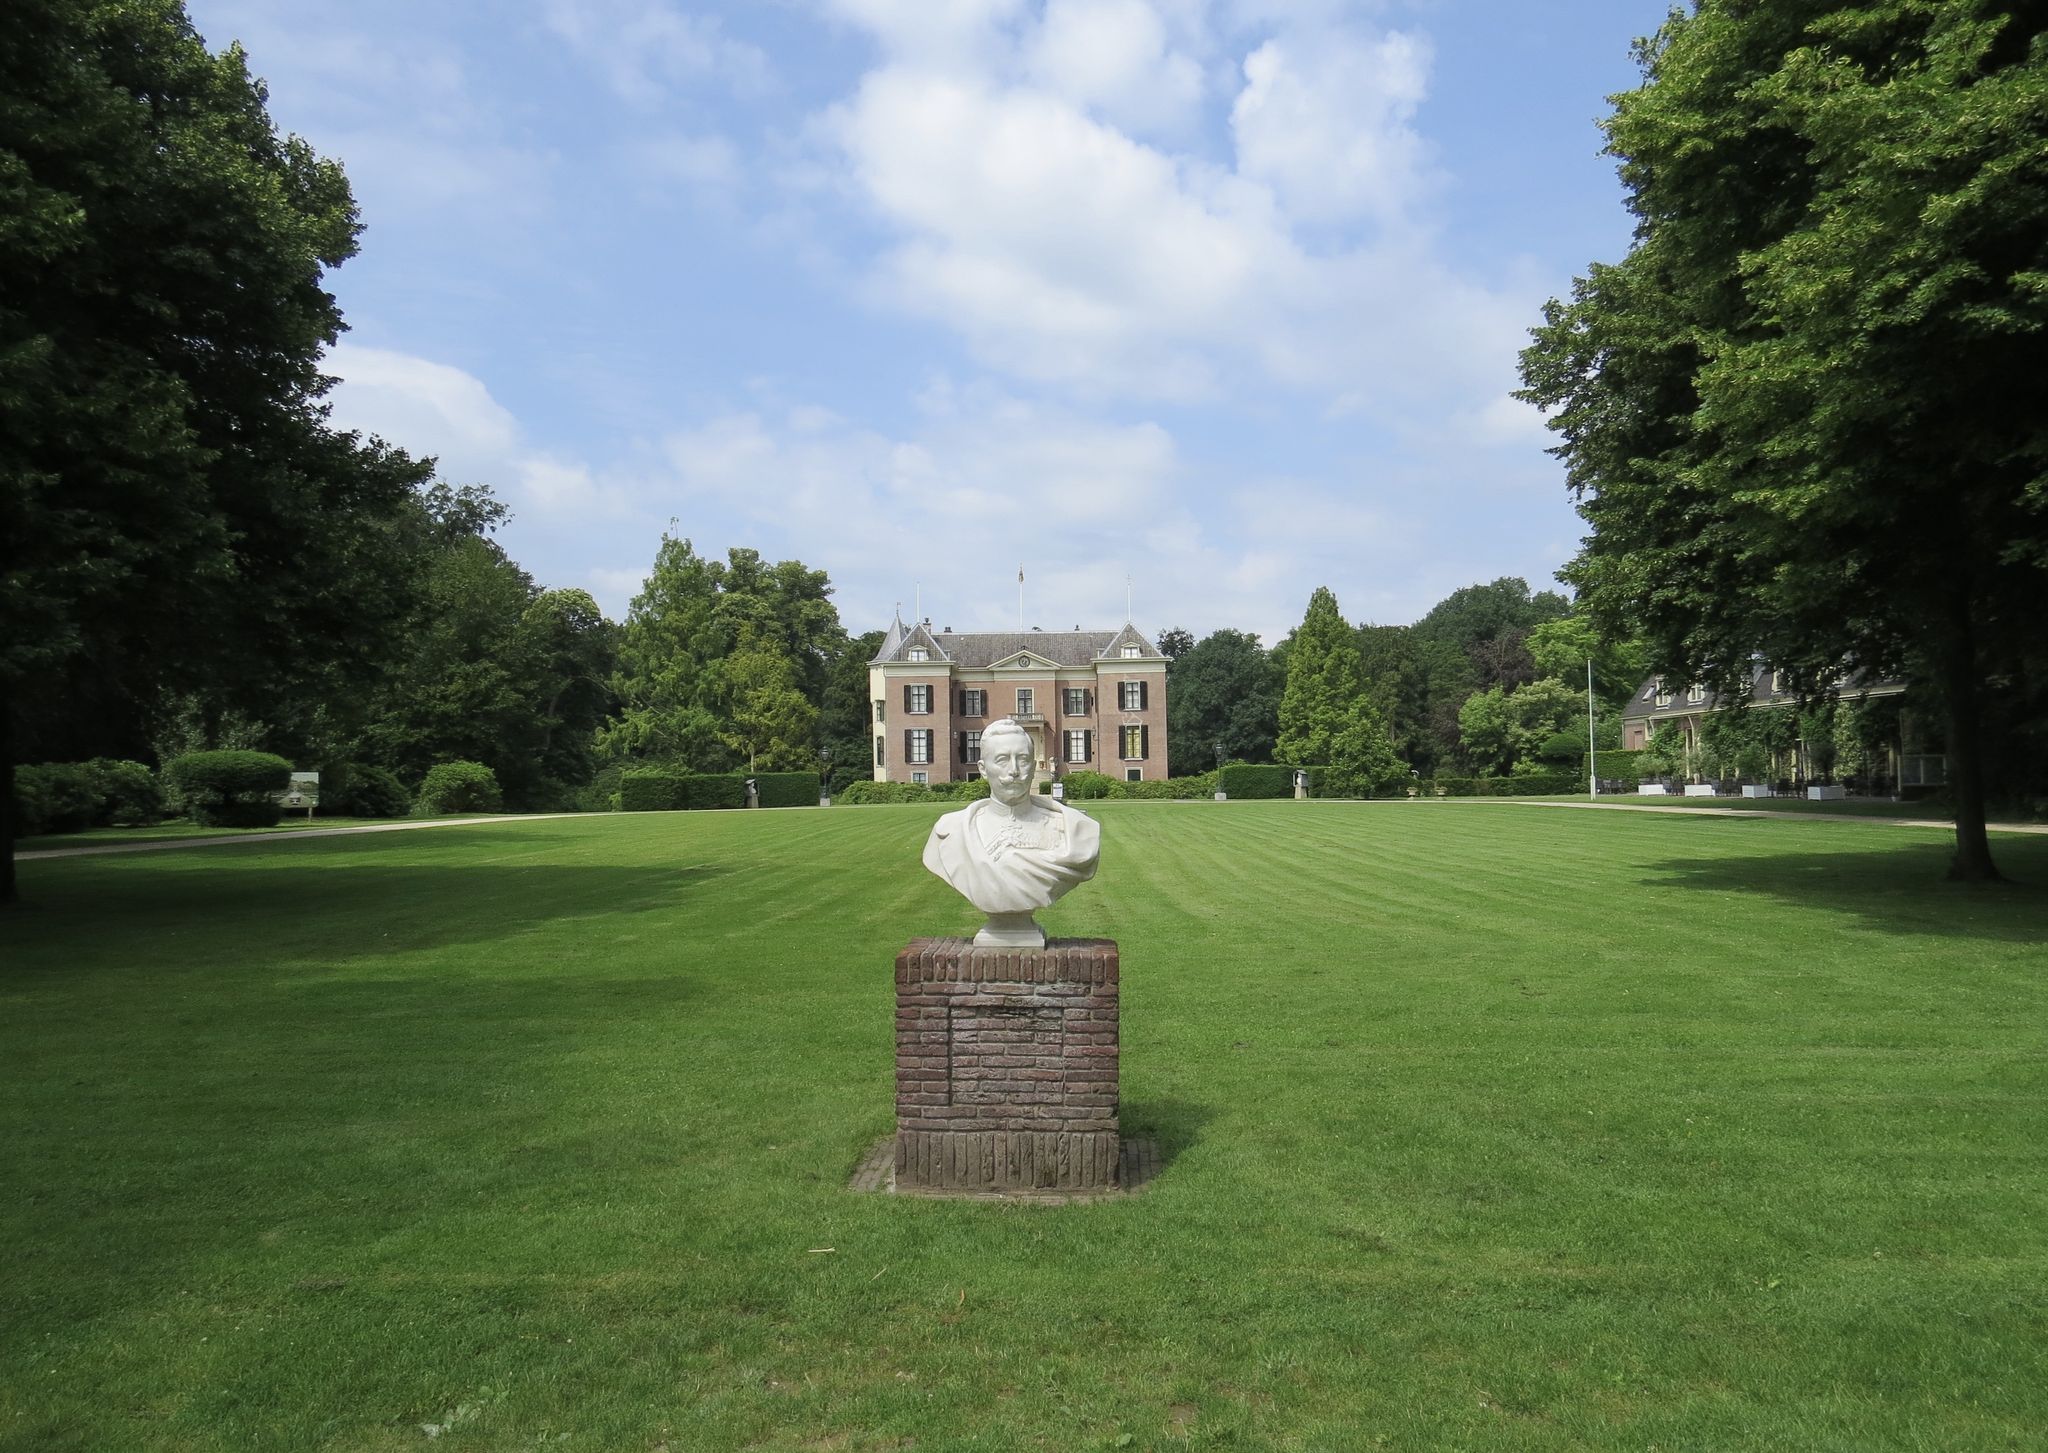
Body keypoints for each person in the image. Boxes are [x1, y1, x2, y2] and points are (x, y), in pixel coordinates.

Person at [922, 717, 1100, 945]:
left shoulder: (1075, 831)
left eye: (1023, 759)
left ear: (1034, 767)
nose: (1014, 770)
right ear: (983, 769)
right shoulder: (950, 832)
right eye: (1002, 760)